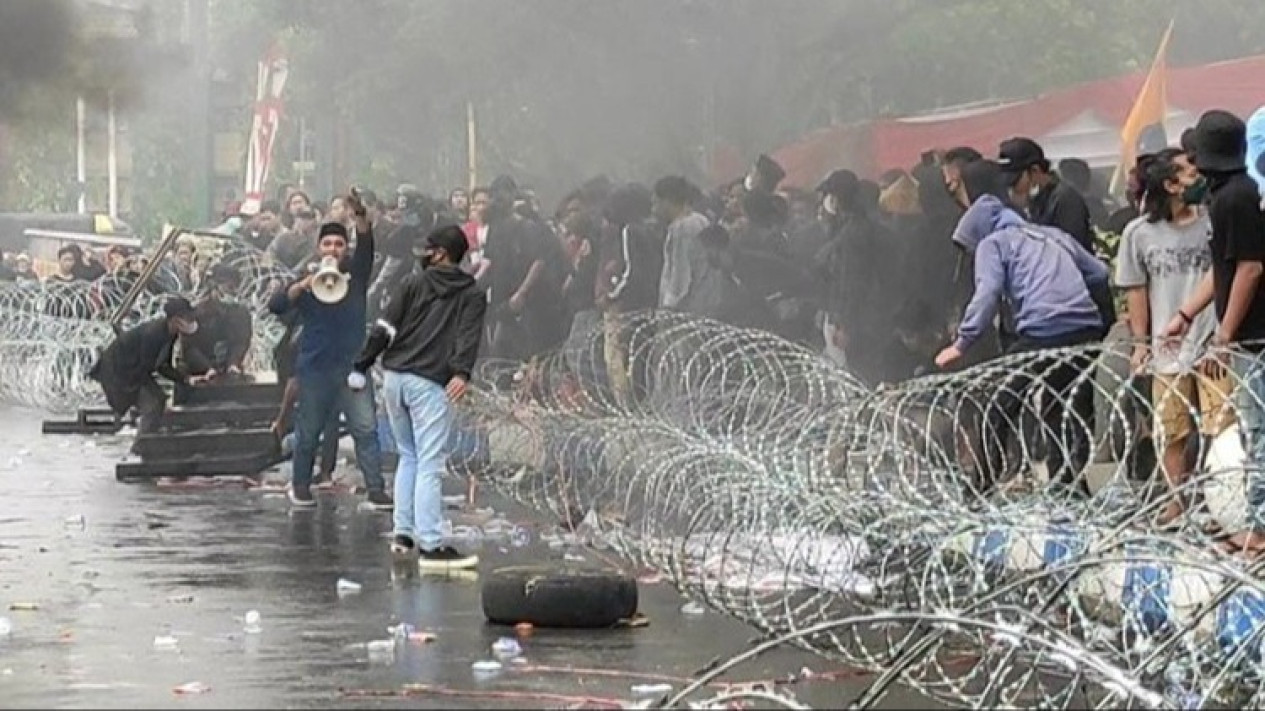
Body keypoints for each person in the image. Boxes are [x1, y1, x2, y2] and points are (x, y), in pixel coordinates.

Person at [935, 185, 1107, 496]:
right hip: (1086, 328)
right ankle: (1068, 487)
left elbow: (986, 293)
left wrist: (961, 343)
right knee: (1062, 406)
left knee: (999, 405)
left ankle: (980, 489)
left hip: (1044, 331)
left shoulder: (993, 243)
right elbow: (1099, 272)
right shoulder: (1053, 235)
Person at [353, 225, 486, 570]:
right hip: (429, 383)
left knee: (408, 456)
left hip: (395, 378)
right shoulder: (471, 293)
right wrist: (461, 372)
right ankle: (431, 544)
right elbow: (468, 337)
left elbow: (385, 327)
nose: (423, 253)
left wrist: (363, 363)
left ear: (441, 253)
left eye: (429, 248)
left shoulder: (413, 284)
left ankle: (403, 533)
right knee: (430, 462)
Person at [1164, 110, 1265, 555]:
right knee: (1252, 431)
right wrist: (1185, 315)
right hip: (1248, 337)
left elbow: (1249, 268)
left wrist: (1223, 337)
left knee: (1260, 433)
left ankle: (1260, 531)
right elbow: (1224, 268)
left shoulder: (1235, 199)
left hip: (1256, 337)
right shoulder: (1232, 195)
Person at [1116, 148, 1226, 524]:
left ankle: (1220, 505)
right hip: (1169, 347)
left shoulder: (1212, 222)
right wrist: (1141, 344)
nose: (1199, 177)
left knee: (1220, 429)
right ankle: (1178, 502)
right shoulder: (1139, 234)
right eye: (1190, 172)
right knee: (1173, 430)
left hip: (1213, 344)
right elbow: (1136, 291)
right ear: (1171, 184)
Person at [267, 192, 392, 511]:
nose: (333, 249)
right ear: (319, 248)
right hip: (315, 368)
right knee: (308, 431)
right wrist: (302, 285)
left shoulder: (357, 277)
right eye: (328, 244)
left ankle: (376, 489)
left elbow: (367, 244)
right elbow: (276, 305)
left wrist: (359, 213)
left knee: (365, 429)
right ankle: (300, 486)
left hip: (352, 368)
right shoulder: (306, 281)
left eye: (339, 244)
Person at [88, 297, 200, 441]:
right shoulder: (153, 334)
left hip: (132, 370)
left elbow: (162, 366)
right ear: (175, 319)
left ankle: (148, 439)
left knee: (157, 400)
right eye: (187, 317)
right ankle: (142, 445)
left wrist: (187, 379)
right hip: (117, 370)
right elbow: (145, 368)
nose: (190, 320)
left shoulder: (169, 334)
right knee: (152, 406)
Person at [998, 137, 1095, 252]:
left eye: (1015, 182)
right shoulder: (1032, 204)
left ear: (1035, 171)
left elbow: (1072, 251)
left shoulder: (1065, 201)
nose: (1012, 191)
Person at [182, 263, 254, 380]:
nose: (233, 292)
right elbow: (189, 347)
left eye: (235, 288)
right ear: (214, 286)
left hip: (229, 371)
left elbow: (242, 341)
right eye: (229, 287)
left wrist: (233, 363)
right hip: (199, 373)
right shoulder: (197, 312)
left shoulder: (241, 313)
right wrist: (207, 368)